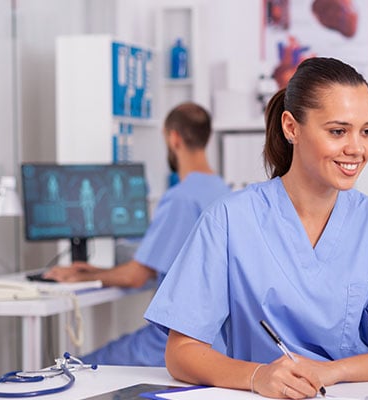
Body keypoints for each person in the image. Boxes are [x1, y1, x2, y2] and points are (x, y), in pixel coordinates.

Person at [144, 57, 368, 398]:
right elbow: (181, 352)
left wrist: (332, 371)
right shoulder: (230, 220)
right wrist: (257, 376)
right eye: (338, 131)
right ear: (292, 128)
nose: (357, 148)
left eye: (367, 131)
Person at [43, 102, 231, 366]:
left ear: (173, 137)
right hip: (216, 341)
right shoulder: (222, 190)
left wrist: (85, 274)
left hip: (176, 343)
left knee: (76, 366)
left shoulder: (181, 199)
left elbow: (135, 276)